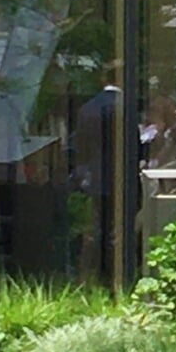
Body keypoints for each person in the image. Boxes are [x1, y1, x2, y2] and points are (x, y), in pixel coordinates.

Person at [75, 65, 138, 283]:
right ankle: (117, 275)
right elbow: (133, 146)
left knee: (97, 226)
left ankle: (93, 275)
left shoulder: (87, 108)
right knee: (119, 229)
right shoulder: (125, 108)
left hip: (94, 177)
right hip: (121, 178)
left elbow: (81, 147)